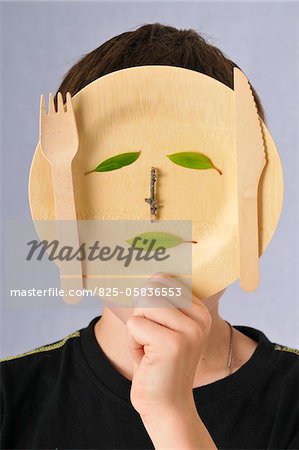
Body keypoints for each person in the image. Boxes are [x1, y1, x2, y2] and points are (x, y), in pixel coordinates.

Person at [1, 23, 299, 449]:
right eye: (112, 169)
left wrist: (171, 412)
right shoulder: (10, 399)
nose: (154, 219)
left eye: (196, 168)